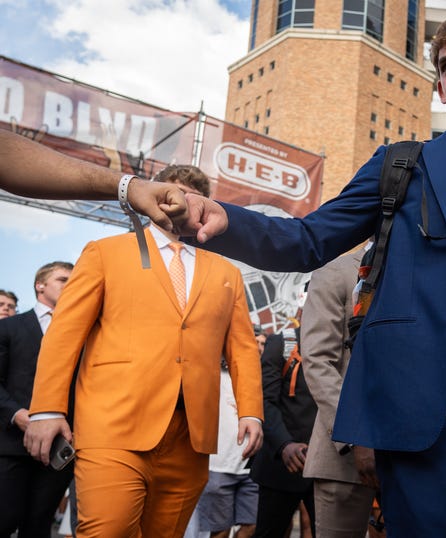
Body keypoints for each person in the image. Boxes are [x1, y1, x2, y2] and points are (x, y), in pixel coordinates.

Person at [175, 8, 446, 536]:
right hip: (436, 420)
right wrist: (225, 220)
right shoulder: (403, 165)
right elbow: (309, 240)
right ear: (441, 91)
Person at [23, 165, 264, 537]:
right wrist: (47, 408)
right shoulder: (105, 252)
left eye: (192, 196)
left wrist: (252, 411)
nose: (180, 203)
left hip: (191, 437)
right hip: (112, 425)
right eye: (171, 192)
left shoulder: (225, 273)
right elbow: (65, 334)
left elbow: (243, 349)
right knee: (108, 531)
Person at [301, 248, 380, 537]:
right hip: (344, 458)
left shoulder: (428, 271)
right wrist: (356, 434)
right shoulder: (336, 270)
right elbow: (319, 361)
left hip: (416, 455)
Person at [0, 262, 74, 537]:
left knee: (39, 525)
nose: (71, 284)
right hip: (11, 444)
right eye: (63, 279)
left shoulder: (87, 332)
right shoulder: (9, 328)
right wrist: (16, 414)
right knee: (4, 520)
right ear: (39, 285)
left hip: (61, 447)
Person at [0, 129, 187, 231]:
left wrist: (130, 186)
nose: (185, 201)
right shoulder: (107, 253)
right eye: (182, 193)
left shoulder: (211, 260)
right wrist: (130, 186)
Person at [250, 328, 317, 538]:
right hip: (281, 464)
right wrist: (284, 444)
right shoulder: (282, 343)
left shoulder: (341, 342)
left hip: (325, 464)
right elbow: (265, 401)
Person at [187, 358, 260, 538]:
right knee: (220, 530)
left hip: (249, 466)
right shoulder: (210, 375)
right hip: (218, 466)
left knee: (252, 526)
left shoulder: (255, 379)